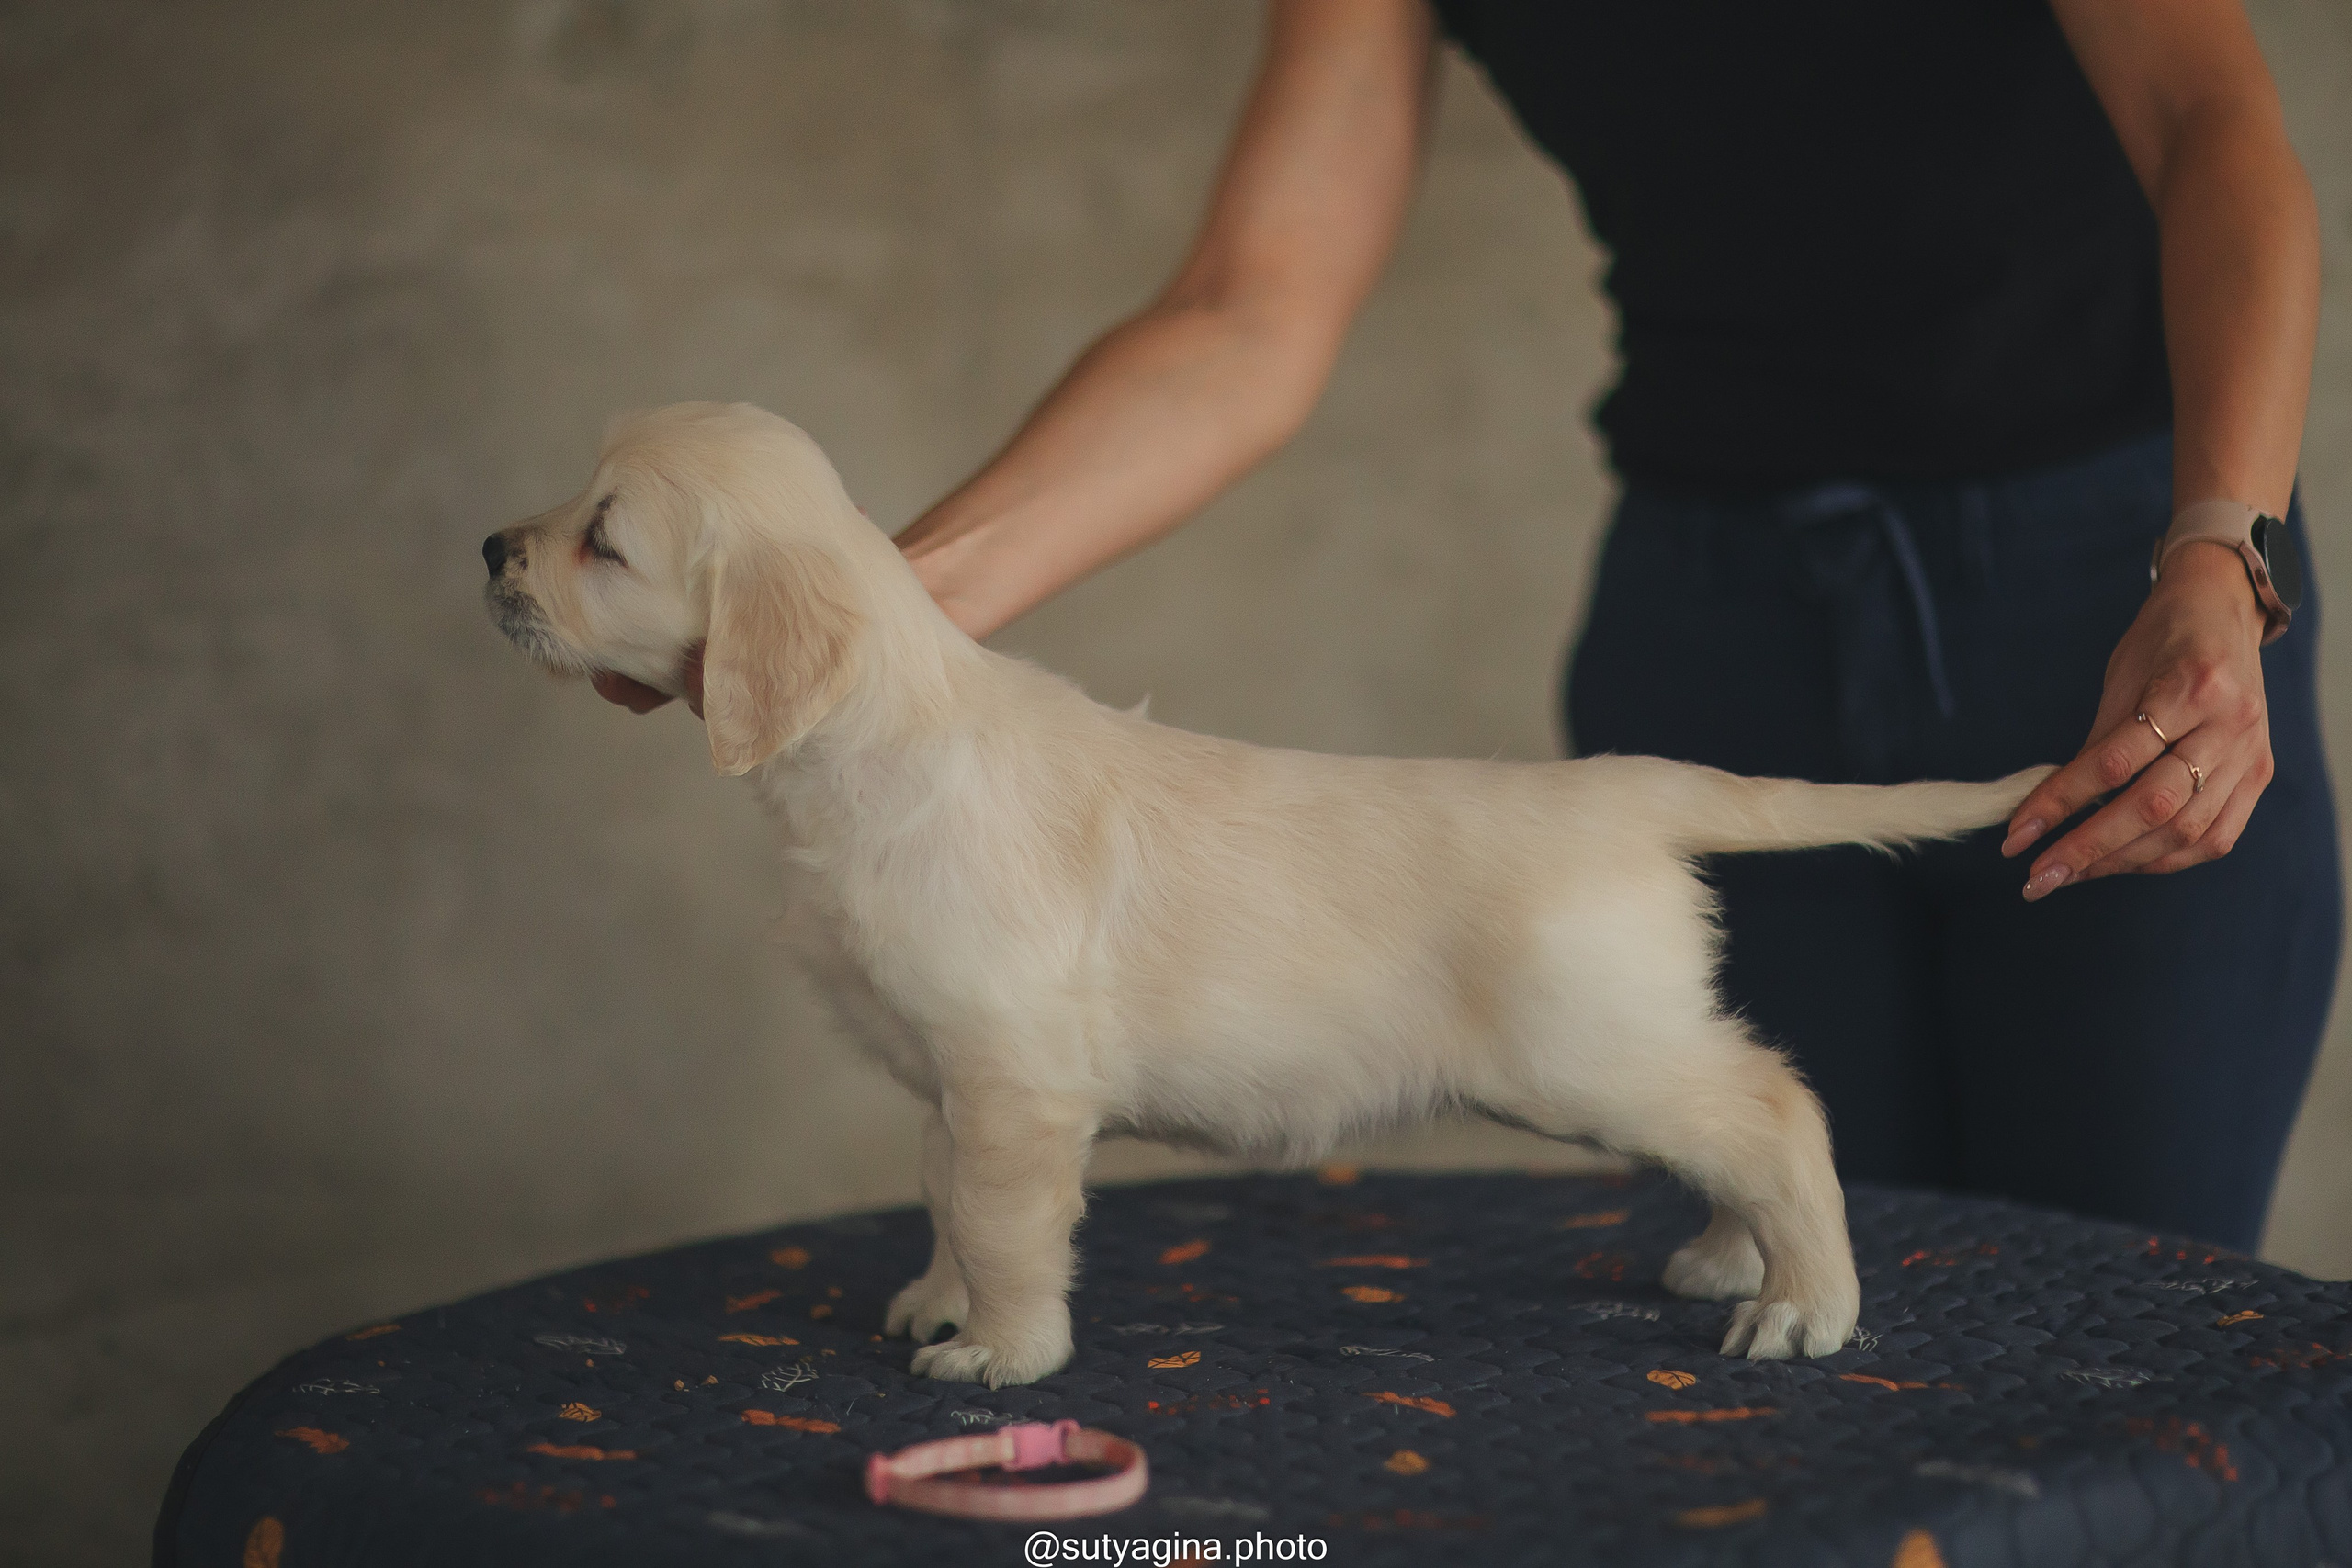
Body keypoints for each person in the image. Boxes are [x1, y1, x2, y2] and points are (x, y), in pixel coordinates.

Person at [596, 0, 2337, 1253]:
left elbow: (2212, 125)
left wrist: (2215, 548)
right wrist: (859, 627)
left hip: (2127, 588)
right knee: (1775, 1341)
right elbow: (1246, 315)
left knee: (2131, 1323)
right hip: (1716, 618)